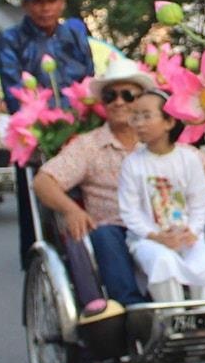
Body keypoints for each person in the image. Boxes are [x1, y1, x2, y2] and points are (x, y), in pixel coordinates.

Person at [29, 58, 148, 321]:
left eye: (128, 95)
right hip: (113, 228)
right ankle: (131, 313)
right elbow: (44, 180)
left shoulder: (156, 139)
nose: (119, 102)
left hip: (159, 224)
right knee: (106, 236)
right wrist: (71, 210)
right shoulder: (88, 146)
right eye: (110, 96)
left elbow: (200, 165)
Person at [0, 0, 95, 268]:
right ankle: (36, 260)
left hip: (77, 130)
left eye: (51, 0)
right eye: (38, 1)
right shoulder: (11, 40)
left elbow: (87, 82)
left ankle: (88, 252)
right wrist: (44, 124)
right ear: (26, 5)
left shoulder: (74, 36)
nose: (45, 8)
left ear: (62, 3)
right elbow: (14, 92)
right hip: (38, 133)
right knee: (34, 199)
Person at [118, 86, 205, 303]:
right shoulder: (132, 164)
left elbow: (200, 202)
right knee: (163, 261)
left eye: (146, 116)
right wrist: (155, 236)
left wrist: (192, 230)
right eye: (135, 117)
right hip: (148, 239)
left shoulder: (189, 158)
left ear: (169, 122)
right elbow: (129, 211)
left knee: (204, 265)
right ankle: (172, 316)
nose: (139, 123)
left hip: (187, 235)